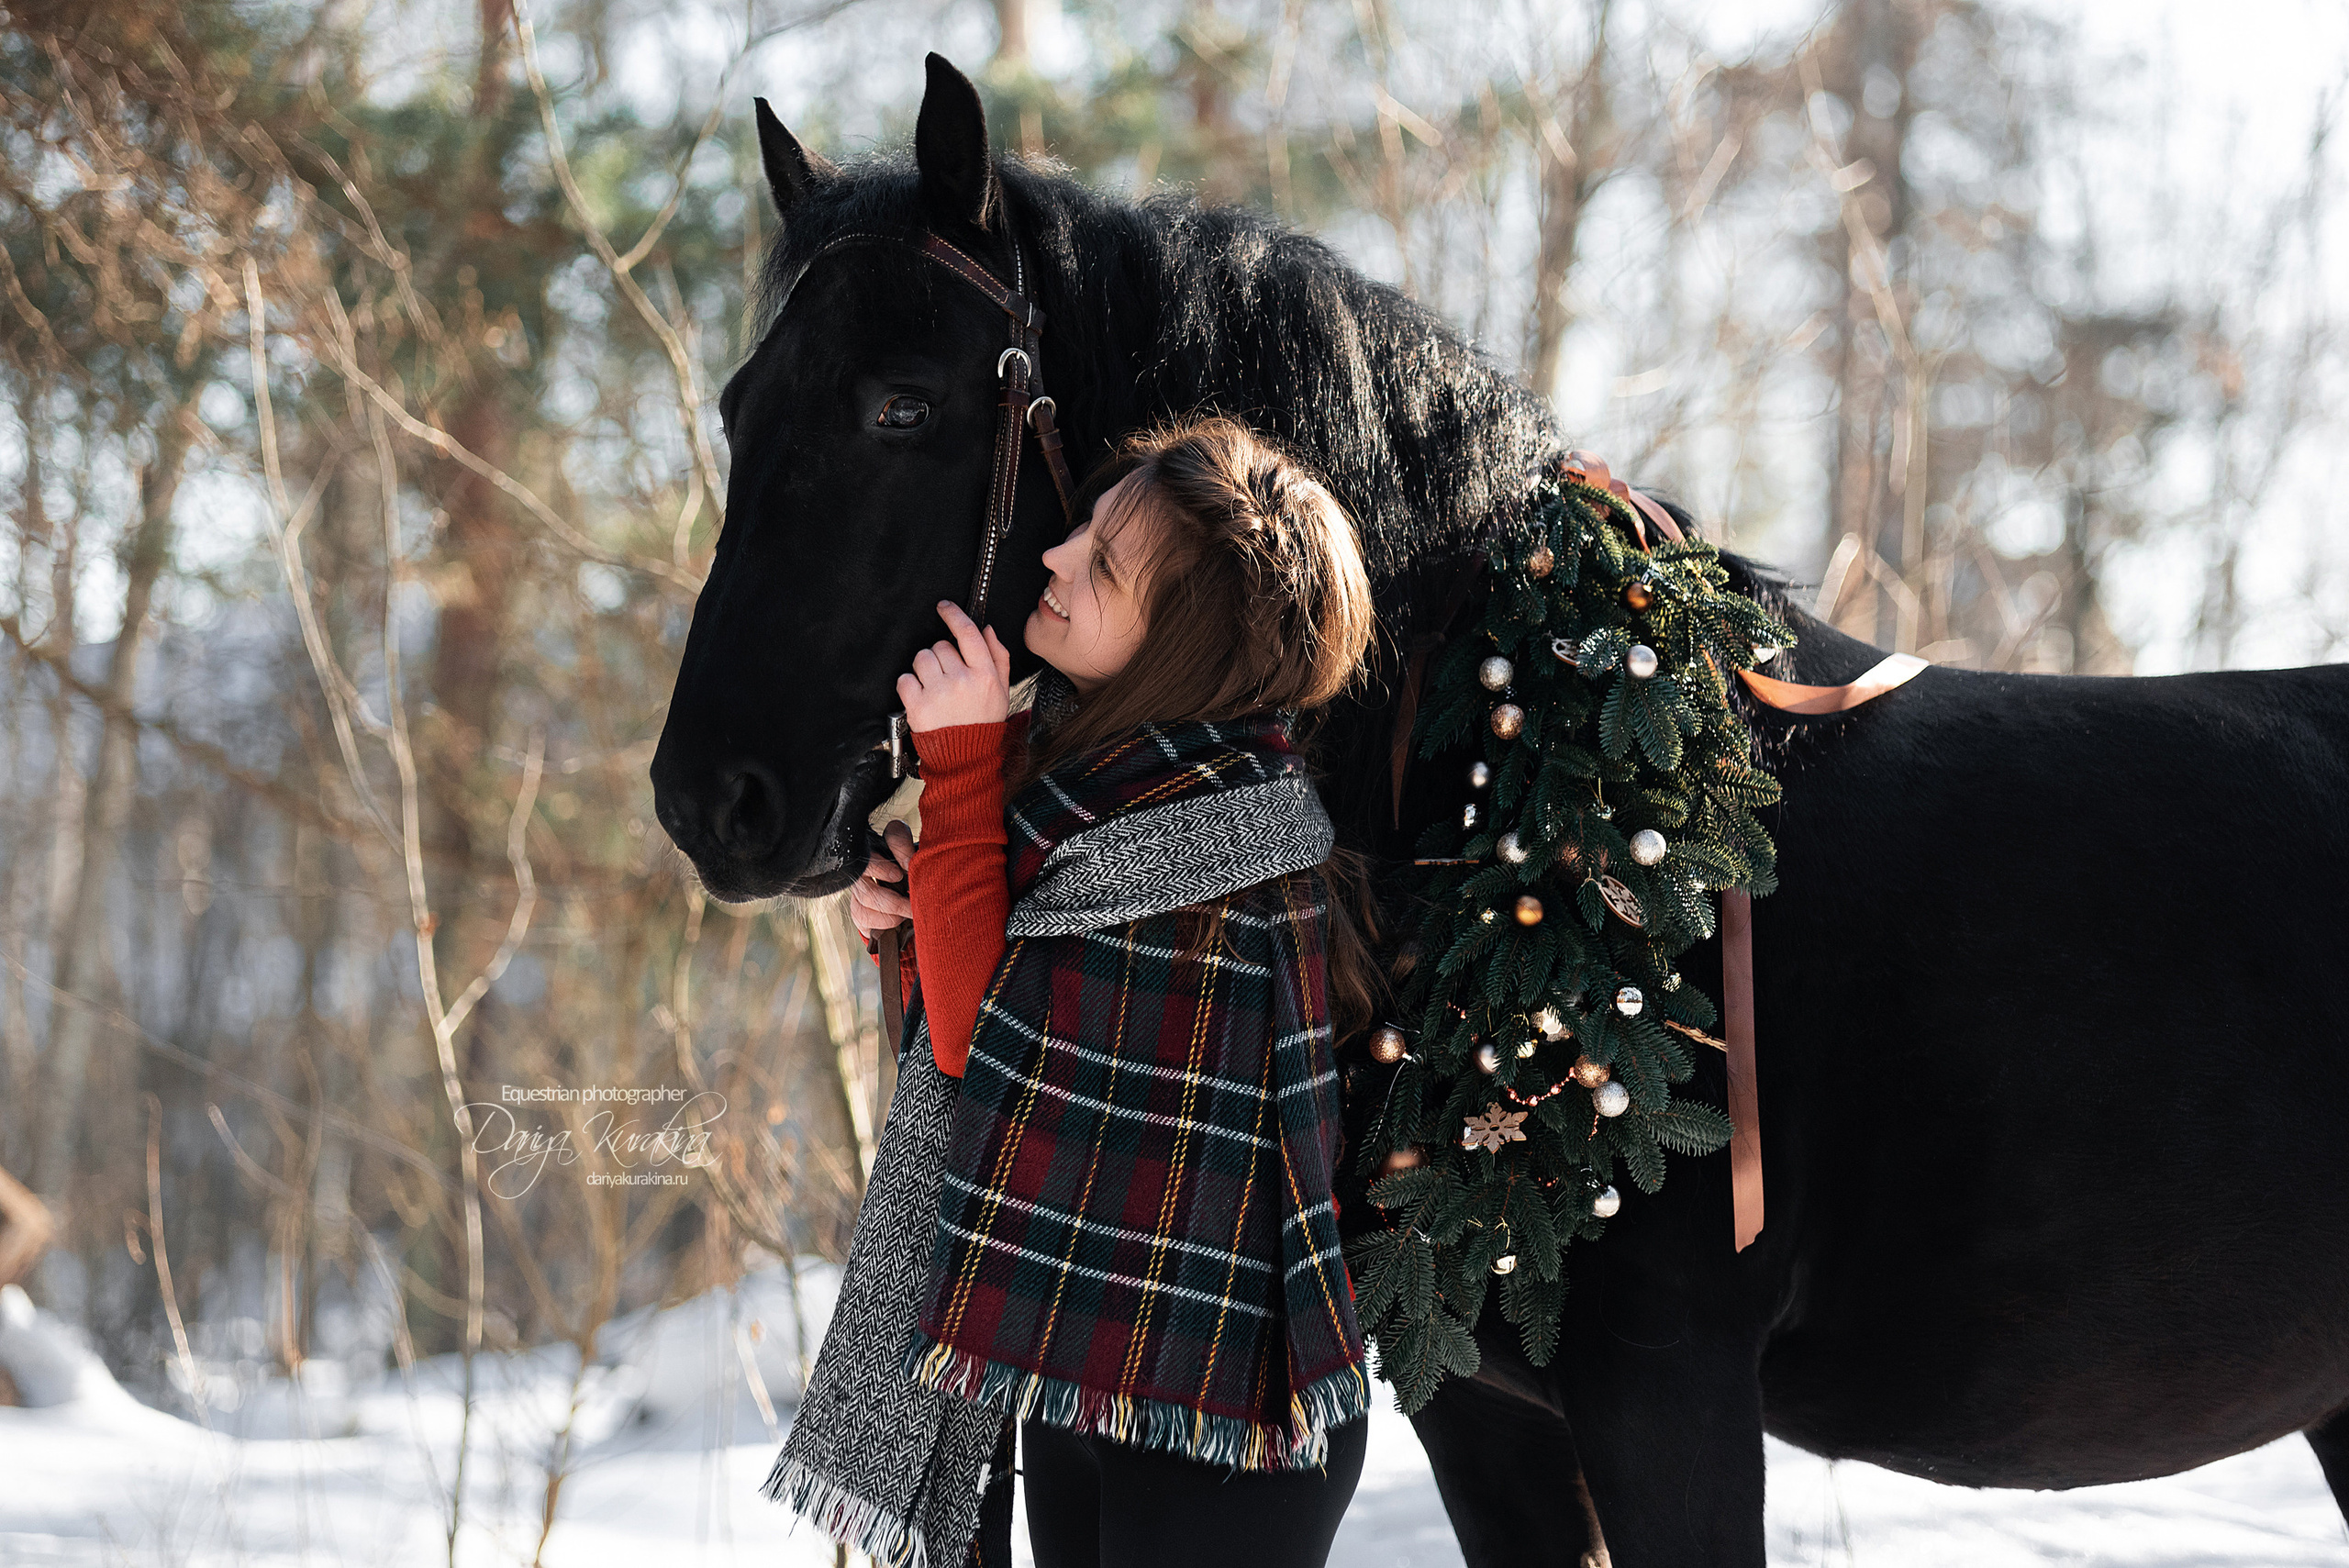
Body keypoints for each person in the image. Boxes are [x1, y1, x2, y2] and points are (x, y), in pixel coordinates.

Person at [848, 416, 1382, 1568]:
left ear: (1182, 640)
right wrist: (920, 894)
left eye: (1102, 565)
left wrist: (958, 768)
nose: (1056, 558)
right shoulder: (1114, 790)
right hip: (1101, 1359)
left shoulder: (1214, 838)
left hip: (1215, 1409)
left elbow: (973, 1039)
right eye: (1085, 526)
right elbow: (1001, 1014)